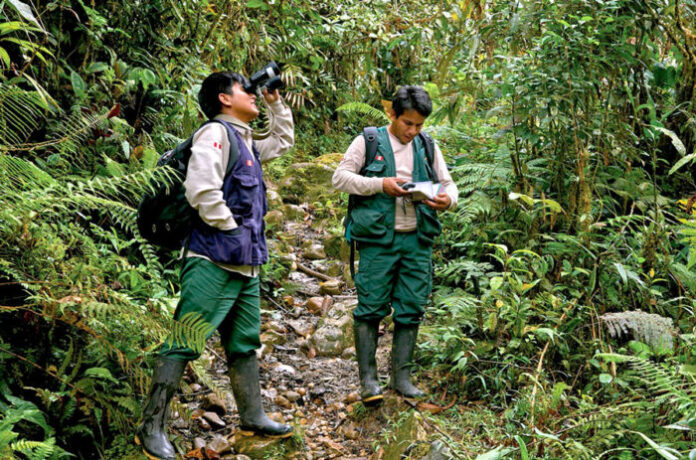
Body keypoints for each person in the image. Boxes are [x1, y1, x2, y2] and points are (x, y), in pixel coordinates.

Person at [135, 71, 295, 460]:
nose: (254, 96)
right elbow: (201, 189)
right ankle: (151, 427)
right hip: (212, 260)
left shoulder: (246, 140)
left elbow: (283, 141)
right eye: (247, 90)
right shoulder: (215, 134)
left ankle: (253, 416)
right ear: (224, 99)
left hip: (246, 266)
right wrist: (231, 227)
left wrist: (275, 101)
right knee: (186, 339)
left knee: (243, 344)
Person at [332, 86, 458, 404]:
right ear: (393, 115)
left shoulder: (427, 145)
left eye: (419, 125)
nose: (413, 131)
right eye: (408, 124)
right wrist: (380, 185)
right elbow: (340, 178)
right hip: (377, 240)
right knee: (371, 307)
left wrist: (447, 199)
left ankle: (401, 378)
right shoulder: (369, 141)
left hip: (417, 240)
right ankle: (369, 382)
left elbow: (448, 184)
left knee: (411, 308)